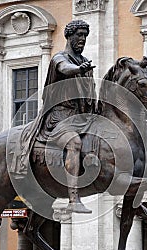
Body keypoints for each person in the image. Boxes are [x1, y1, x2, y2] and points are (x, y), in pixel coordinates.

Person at [36, 20, 96, 213]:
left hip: (80, 117)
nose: (82, 39)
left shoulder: (83, 61)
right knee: (75, 143)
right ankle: (73, 198)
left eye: (85, 36)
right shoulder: (59, 58)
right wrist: (80, 69)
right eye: (79, 35)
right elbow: (64, 69)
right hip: (60, 117)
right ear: (69, 36)